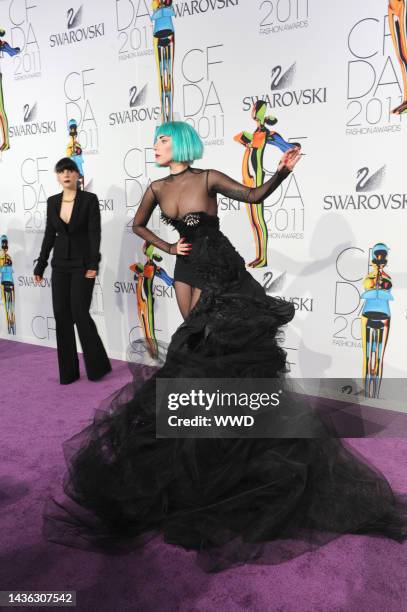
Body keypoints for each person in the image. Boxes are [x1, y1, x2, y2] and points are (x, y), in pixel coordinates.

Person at [42, 123, 407, 573]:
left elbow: (254, 197)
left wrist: (282, 171)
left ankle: (231, 445)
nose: (154, 146)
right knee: (190, 356)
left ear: (178, 143)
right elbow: (137, 225)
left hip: (225, 274)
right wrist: (168, 244)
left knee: (226, 355)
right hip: (185, 272)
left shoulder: (208, 177)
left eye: (160, 140)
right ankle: (196, 449)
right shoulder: (157, 186)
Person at [33, 157, 111, 384]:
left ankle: (98, 366)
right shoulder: (52, 201)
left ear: (78, 175)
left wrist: (93, 264)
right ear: (57, 176)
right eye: (61, 171)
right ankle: (68, 372)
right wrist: (41, 264)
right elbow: (49, 234)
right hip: (60, 265)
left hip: (82, 264)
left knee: (79, 313)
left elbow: (94, 233)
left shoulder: (89, 199)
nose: (66, 174)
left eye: (70, 170)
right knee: (61, 315)